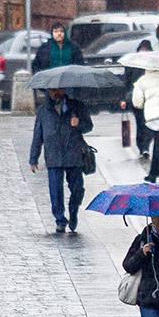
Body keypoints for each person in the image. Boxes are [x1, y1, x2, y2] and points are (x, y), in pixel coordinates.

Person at [29, 87, 94, 234]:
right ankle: (60, 220)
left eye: (59, 90)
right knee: (55, 191)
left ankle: (73, 210)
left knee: (77, 188)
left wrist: (79, 124)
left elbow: (88, 126)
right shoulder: (43, 111)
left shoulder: (76, 106)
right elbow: (37, 135)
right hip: (53, 156)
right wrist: (33, 158)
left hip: (73, 154)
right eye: (52, 90)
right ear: (48, 92)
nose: (56, 93)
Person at [121, 40, 154, 159]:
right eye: (142, 49)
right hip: (136, 98)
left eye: (146, 49)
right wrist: (124, 98)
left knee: (149, 122)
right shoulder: (132, 64)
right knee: (140, 123)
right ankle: (142, 146)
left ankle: (145, 146)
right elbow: (126, 82)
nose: (144, 52)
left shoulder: (153, 64)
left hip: (150, 97)